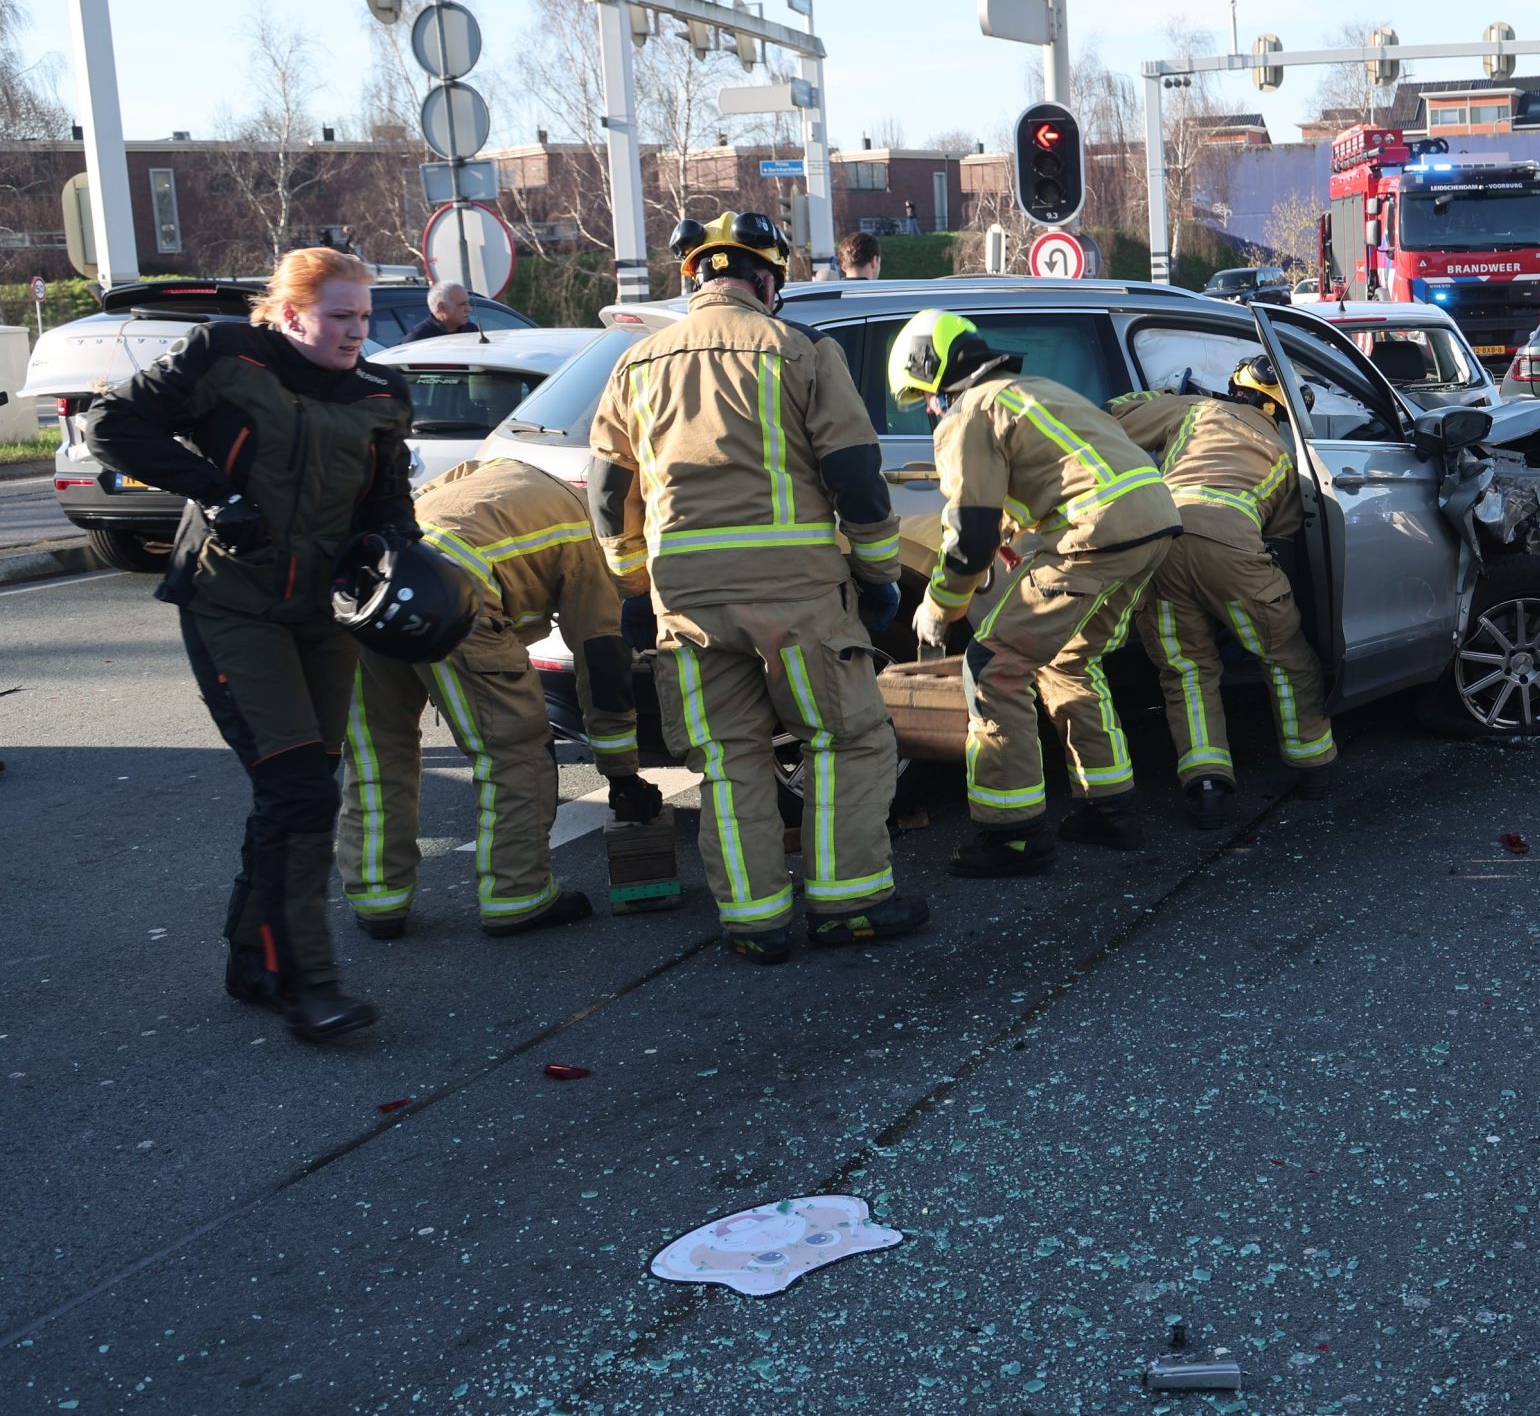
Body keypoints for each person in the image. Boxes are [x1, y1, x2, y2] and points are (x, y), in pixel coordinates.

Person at [87, 246, 418, 1042]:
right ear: (291, 312)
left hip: (321, 614)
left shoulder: (379, 391)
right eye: (341, 316)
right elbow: (112, 423)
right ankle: (308, 981)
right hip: (231, 603)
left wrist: (408, 574)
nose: (356, 333)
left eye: (365, 318)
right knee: (300, 790)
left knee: (299, 789)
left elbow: (389, 508)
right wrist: (215, 489)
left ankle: (253, 959)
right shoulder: (226, 355)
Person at [587, 210, 921, 964]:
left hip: (687, 604)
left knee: (728, 758)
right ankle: (850, 903)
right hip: (797, 595)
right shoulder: (799, 350)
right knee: (846, 740)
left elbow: (609, 494)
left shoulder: (635, 365)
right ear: (768, 279)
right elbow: (856, 480)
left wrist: (635, 588)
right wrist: (877, 578)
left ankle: (755, 921)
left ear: (697, 275)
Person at [890, 309, 1180, 872]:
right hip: (1151, 522)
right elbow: (1035, 487)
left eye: (924, 395)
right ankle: (1110, 811)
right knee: (1069, 662)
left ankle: (1013, 836)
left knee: (994, 664)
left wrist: (939, 605)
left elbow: (970, 532)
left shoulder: (968, 412)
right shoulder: (1031, 390)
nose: (928, 409)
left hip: (1095, 534)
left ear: (938, 373)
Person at [336, 457, 661, 939]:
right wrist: (623, 774)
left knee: (378, 750)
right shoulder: (589, 539)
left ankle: (377, 899)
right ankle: (518, 896)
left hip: (379, 586)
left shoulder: (498, 467)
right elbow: (602, 662)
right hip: (456, 600)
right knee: (514, 749)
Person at [1110, 356, 1334, 828]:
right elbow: (1289, 535)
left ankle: (1206, 784)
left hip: (1161, 542)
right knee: (1285, 656)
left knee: (1186, 670)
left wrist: (1163, 396)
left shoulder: (1195, 411)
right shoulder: (1284, 451)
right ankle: (1311, 766)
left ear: (1237, 390)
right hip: (1234, 550)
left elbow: (1118, 416)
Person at [402, 280, 477, 343]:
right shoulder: (418, 339)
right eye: (462, 305)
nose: (469, 309)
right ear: (442, 307)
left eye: (468, 303)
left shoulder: (471, 330)